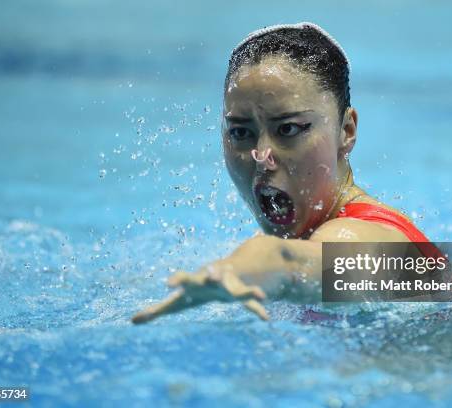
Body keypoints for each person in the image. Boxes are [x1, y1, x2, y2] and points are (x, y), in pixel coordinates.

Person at [132, 22, 436, 324]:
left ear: (346, 131)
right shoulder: (311, 235)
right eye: (240, 132)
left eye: (288, 129)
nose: (262, 156)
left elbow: (285, 263)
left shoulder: (362, 238)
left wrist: (231, 271)